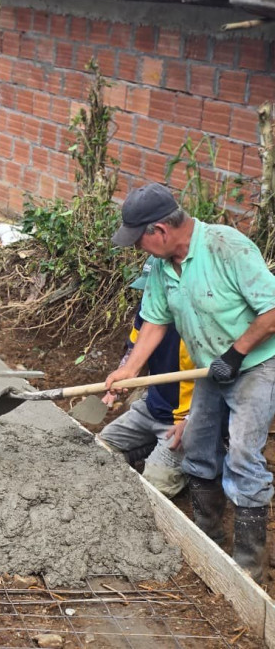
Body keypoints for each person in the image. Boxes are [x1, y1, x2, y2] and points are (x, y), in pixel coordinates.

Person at [106, 182, 275, 582]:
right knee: (198, 452)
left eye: (139, 241)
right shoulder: (163, 268)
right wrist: (130, 371)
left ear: (159, 231)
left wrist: (235, 355)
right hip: (209, 370)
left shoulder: (225, 246)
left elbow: (272, 311)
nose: (138, 249)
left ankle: (249, 569)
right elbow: (155, 320)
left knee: (243, 457)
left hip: (256, 366)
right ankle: (207, 541)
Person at [98, 256, 195, 498]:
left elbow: (223, 383)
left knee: (153, 489)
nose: (150, 296)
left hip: (185, 418)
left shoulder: (202, 323)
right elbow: (134, 353)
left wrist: (195, 420)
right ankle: (152, 444)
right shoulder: (146, 312)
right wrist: (121, 383)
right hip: (151, 407)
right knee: (100, 448)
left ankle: (195, 462)